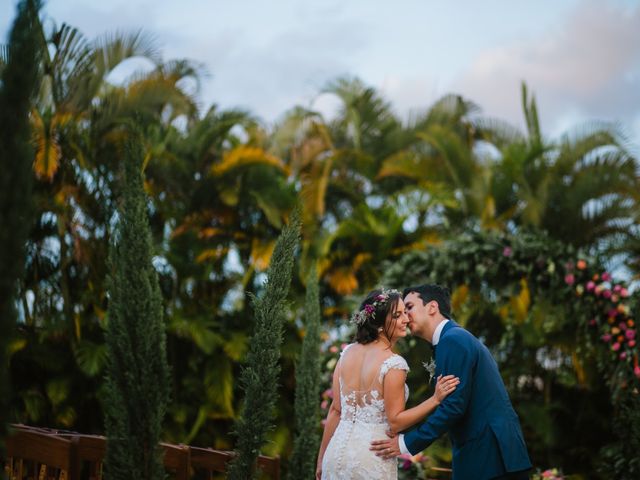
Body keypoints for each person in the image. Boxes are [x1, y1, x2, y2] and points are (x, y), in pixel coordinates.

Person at [370, 284, 532, 480]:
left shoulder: (453, 340)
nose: (405, 316)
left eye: (409, 307)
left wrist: (406, 443)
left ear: (432, 307)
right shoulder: (452, 339)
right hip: (488, 455)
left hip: (492, 457)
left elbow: (453, 406)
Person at [316, 288, 460, 480]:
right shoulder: (394, 364)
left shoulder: (346, 353)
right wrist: (434, 400)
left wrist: (321, 459)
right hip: (371, 457)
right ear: (381, 324)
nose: (406, 320)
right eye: (397, 315)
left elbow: (335, 410)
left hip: (335, 455)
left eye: (405, 313)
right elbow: (396, 421)